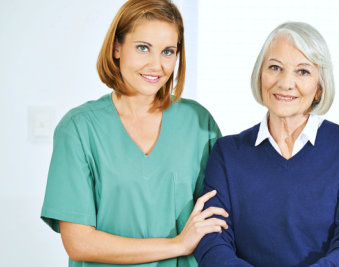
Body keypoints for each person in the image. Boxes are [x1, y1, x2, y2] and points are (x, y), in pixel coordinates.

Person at [40, 1, 229, 266]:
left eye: (167, 51)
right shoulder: (79, 129)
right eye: (143, 48)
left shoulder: (198, 123)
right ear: (117, 47)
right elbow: (79, 243)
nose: (156, 65)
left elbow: (220, 218)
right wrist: (177, 244)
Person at [194, 22, 339, 267]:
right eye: (275, 67)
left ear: (319, 87)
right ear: (260, 75)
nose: (285, 83)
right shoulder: (227, 153)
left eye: (302, 71)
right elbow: (211, 241)